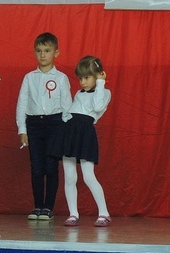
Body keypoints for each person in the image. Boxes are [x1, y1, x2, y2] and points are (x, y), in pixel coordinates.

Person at [16, 32, 71, 220]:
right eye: (39, 51)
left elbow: (67, 106)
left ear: (56, 53)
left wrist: (64, 131)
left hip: (55, 124)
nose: (43, 55)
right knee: (37, 167)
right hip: (34, 124)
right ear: (34, 52)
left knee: (51, 167)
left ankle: (48, 207)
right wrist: (22, 130)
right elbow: (22, 104)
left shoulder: (61, 78)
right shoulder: (29, 78)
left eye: (47, 51)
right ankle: (37, 206)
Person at [50, 55, 111, 227]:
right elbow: (70, 110)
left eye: (87, 77)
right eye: (81, 78)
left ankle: (104, 213)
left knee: (89, 176)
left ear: (98, 75)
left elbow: (98, 107)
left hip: (85, 133)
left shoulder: (104, 92)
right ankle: (73, 213)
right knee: (69, 177)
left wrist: (100, 83)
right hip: (70, 131)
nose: (83, 82)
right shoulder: (78, 93)